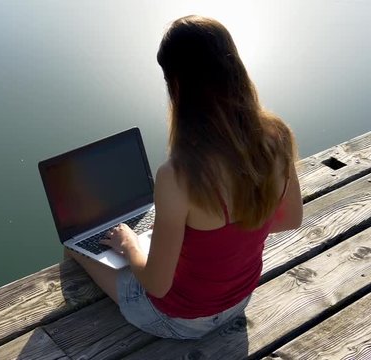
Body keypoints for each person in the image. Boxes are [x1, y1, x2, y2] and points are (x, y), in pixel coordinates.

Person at [65, 15, 303, 339]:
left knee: (76, 250)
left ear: (177, 85)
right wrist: (232, 237)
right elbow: (291, 219)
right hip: (240, 299)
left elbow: (157, 286)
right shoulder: (277, 136)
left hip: (180, 320)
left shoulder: (178, 176)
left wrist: (131, 245)